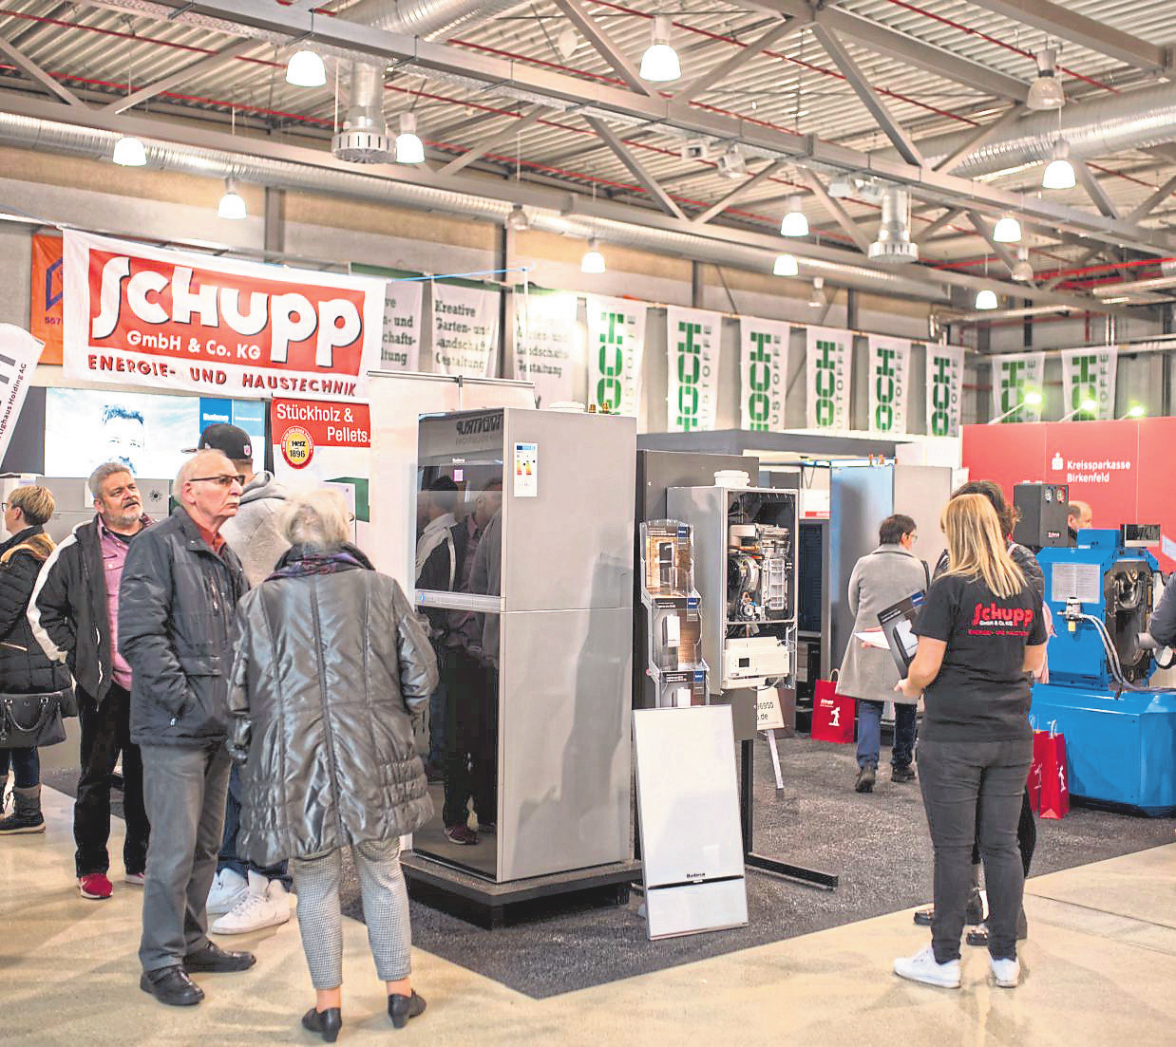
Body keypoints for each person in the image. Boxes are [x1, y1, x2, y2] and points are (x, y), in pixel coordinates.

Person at [227, 489, 436, 1040]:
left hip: (295, 762)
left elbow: (239, 696)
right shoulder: (380, 589)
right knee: (384, 871)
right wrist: (400, 721)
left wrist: (251, 756)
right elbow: (421, 676)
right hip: (373, 756)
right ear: (343, 530)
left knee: (315, 882)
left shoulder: (260, 603)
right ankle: (399, 994)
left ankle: (328, 1007)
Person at [894, 494, 1046, 990]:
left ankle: (943, 959)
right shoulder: (1024, 587)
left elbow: (926, 666)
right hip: (1010, 735)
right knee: (1002, 846)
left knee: (954, 849)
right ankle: (1005, 960)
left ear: (957, 533)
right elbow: (1031, 661)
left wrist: (909, 685)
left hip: (954, 738)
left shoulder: (949, 588)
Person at [119, 450, 255, 1008]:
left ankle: (192, 941)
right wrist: (186, 703)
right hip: (176, 728)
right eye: (223, 480)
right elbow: (141, 638)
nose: (234, 487)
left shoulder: (227, 555)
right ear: (190, 490)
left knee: (205, 847)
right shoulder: (157, 546)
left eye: (236, 479)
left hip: (217, 728)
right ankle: (160, 961)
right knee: (172, 851)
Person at [186, 424, 293, 935]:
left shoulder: (258, 516)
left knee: (259, 782)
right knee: (234, 781)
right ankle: (234, 871)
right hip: (238, 673)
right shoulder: (240, 512)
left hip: (265, 675)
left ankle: (269, 883)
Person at [28, 463, 152, 898]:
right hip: (104, 685)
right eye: (117, 491)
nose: (129, 495)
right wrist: (76, 658)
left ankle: (141, 860)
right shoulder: (78, 548)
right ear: (99, 503)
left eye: (132, 487)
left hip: (155, 686)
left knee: (146, 778)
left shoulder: (161, 542)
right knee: (96, 778)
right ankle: (92, 867)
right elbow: (42, 610)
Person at [419, 480, 502, 845]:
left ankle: (487, 812)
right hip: (458, 652)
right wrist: (443, 634)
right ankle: (455, 816)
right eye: (496, 497)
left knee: (490, 739)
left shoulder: (503, 538)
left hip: (493, 656)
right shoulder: (450, 543)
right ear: (479, 500)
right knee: (456, 741)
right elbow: (426, 595)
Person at [0, 486, 74, 835]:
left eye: (6, 506)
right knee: (17, 739)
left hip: (16, 665)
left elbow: (2, 613)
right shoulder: (47, 550)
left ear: (17, 512)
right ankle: (27, 811)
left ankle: (29, 814)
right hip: (32, 664)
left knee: (16, 739)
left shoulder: (21, 557)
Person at [837, 514, 928, 793]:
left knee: (869, 705)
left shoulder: (864, 564)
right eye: (913, 537)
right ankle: (901, 765)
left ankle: (867, 766)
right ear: (904, 537)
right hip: (904, 644)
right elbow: (924, 607)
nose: (913, 542)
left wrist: (868, 626)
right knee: (906, 704)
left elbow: (853, 601)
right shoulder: (917, 568)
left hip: (869, 642)